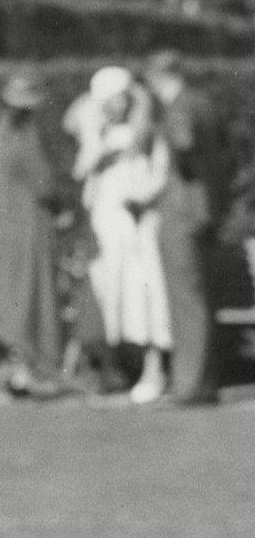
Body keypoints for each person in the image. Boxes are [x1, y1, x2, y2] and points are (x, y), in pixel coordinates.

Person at [64, 66, 172, 404]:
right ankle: (114, 369)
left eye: (119, 100)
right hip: (106, 228)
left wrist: (139, 198)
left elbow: (158, 176)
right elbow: (81, 170)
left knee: (144, 297)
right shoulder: (97, 133)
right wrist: (100, 147)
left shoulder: (149, 130)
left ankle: (154, 370)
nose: (113, 107)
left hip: (137, 227)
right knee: (109, 298)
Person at [144, 50, 228, 405]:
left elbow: (183, 143)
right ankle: (205, 382)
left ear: (155, 77)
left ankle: (189, 384)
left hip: (181, 210)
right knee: (201, 298)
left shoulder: (178, 105)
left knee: (184, 301)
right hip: (206, 209)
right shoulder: (205, 102)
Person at [0, 72, 63, 398]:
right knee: (35, 297)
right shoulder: (24, 135)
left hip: (4, 229)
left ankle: (20, 369)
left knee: (13, 298)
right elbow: (43, 182)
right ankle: (31, 370)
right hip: (30, 224)